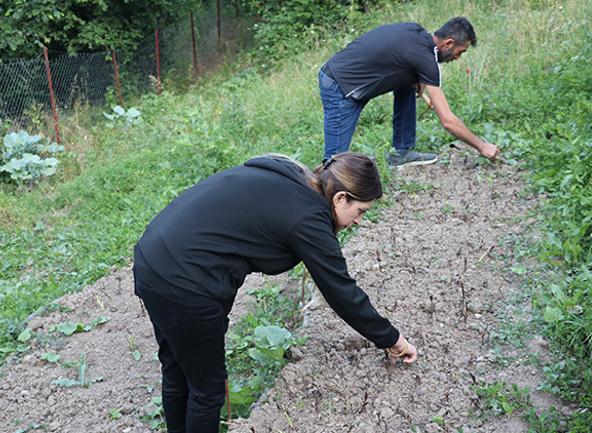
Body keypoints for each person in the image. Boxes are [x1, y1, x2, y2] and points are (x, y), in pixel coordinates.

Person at [133, 152, 417, 433]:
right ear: (341, 198)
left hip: (153, 258)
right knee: (206, 391)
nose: (359, 221)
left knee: (176, 371)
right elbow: (342, 292)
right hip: (185, 282)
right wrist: (393, 340)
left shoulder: (293, 177)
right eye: (360, 211)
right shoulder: (309, 218)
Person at [319, 17, 500, 166]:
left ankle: (402, 153)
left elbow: (401, 58)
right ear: (448, 43)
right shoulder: (425, 59)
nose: (458, 58)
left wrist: (416, 81)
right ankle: (325, 199)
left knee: (407, 84)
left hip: (346, 76)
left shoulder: (415, 31)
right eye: (460, 52)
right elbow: (448, 121)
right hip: (339, 84)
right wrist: (481, 146)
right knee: (335, 164)